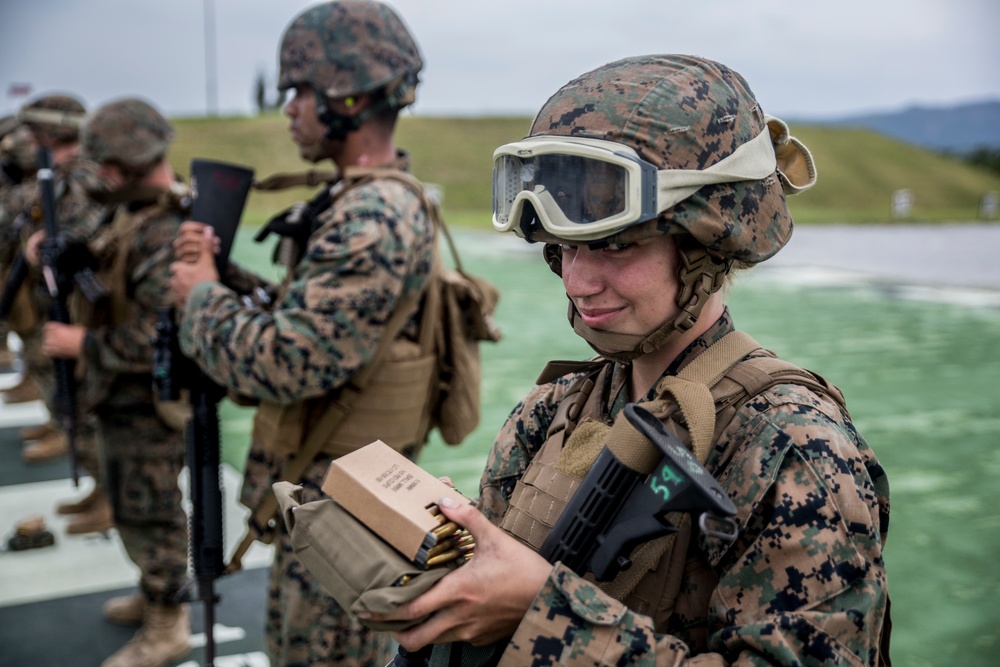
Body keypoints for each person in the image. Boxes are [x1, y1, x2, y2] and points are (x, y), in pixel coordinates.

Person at [366, 54, 892, 666]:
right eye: (562, 248)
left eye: (616, 245)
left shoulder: (788, 447)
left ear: (707, 239)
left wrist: (546, 616)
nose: (578, 280)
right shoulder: (549, 414)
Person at [169, 1, 436, 665]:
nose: (289, 108)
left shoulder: (371, 214)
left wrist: (199, 296)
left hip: (344, 506)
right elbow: (314, 319)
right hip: (330, 491)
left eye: (300, 92)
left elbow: (285, 361)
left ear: (348, 96)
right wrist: (224, 278)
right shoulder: (360, 198)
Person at [40, 97, 192, 667]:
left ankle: (168, 620)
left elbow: (161, 332)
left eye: (107, 163)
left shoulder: (170, 228)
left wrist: (84, 345)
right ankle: (153, 594)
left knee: (153, 512)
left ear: (133, 160)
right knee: (131, 510)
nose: (98, 175)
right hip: (118, 399)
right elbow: (100, 255)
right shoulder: (132, 210)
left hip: (149, 405)